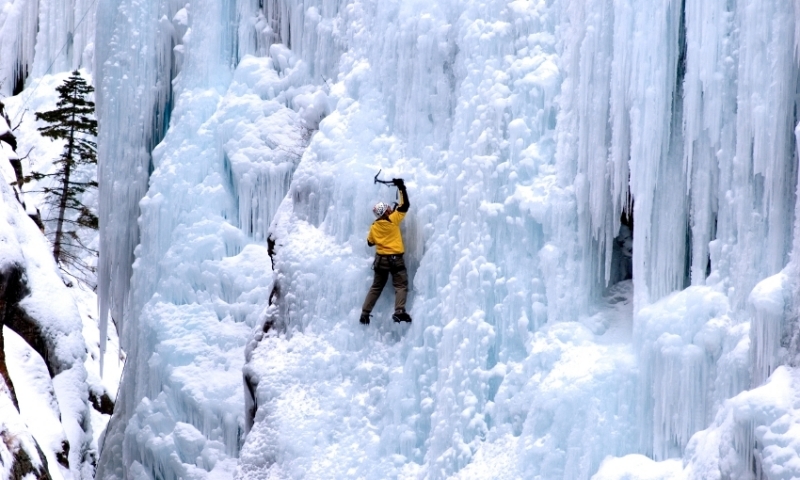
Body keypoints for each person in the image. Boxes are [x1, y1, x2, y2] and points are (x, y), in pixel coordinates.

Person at [360, 178, 412, 324]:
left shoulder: (374, 226)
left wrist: (379, 235)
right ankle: (399, 311)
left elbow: (370, 243)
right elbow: (405, 205)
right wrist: (401, 187)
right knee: (400, 285)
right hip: (395, 259)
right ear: (385, 212)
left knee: (376, 287)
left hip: (380, 260)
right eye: (388, 209)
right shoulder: (393, 219)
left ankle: (365, 313)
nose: (390, 209)